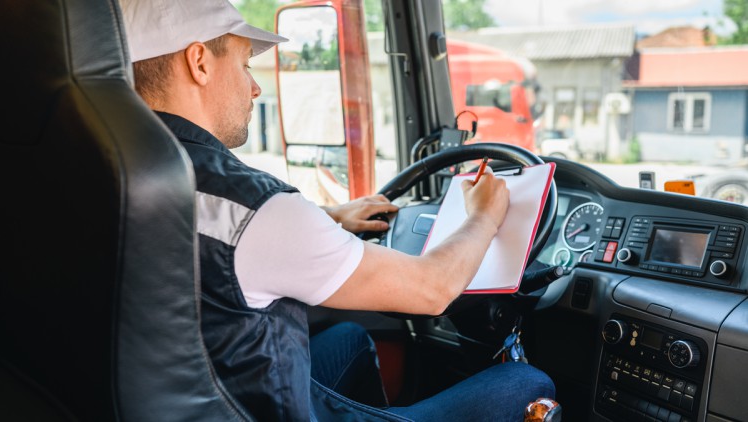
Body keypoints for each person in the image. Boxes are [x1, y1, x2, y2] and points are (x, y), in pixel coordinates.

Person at [121, 0, 555, 420]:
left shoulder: (118, 176)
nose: (254, 87)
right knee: (525, 383)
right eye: (245, 65)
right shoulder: (258, 209)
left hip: (197, 398)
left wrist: (326, 216)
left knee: (350, 340)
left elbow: (210, 228)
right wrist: (484, 214)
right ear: (199, 62)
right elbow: (432, 289)